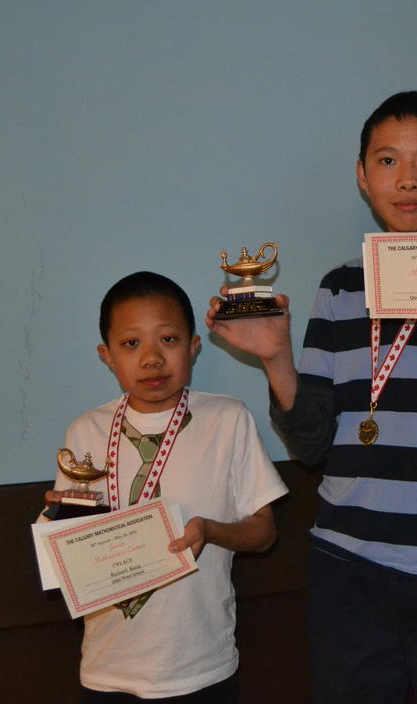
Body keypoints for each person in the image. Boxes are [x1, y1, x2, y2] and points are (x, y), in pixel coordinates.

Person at [206, 91, 417, 703]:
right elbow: (311, 444)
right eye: (387, 161)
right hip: (348, 567)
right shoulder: (340, 289)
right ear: (363, 177)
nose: (409, 179)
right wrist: (276, 358)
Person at [43, 270, 288, 702]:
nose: (152, 358)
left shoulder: (227, 419)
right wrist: (61, 517)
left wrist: (210, 530)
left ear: (194, 347)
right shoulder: (86, 431)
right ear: (107, 355)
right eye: (131, 343)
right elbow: (70, 544)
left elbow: (264, 532)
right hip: (107, 667)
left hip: (199, 666)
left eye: (169, 340)